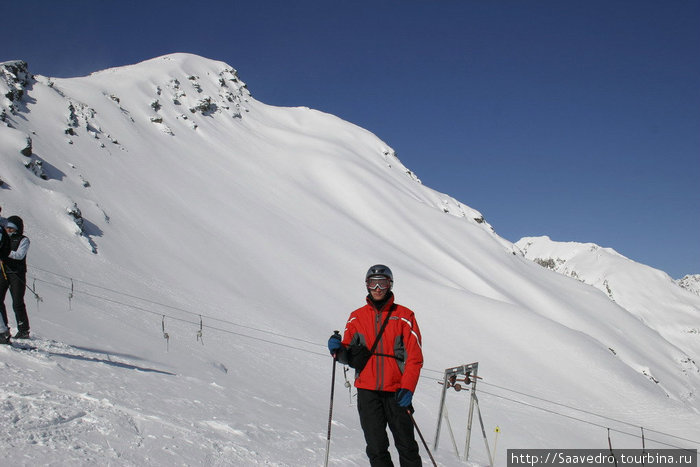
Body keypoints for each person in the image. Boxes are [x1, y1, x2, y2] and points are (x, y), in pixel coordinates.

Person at [328, 264, 424, 466]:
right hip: (367, 392)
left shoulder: (405, 316)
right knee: (376, 447)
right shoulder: (357, 317)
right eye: (373, 283)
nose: (378, 288)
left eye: (383, 282)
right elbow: (347, 353)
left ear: (390, 285)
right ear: (367, 286)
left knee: (407, 446)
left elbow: (415, 357)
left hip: (397, 391)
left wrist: (407, 388)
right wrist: (337, 349)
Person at [0, 215, 31, 340]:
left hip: (17, 274)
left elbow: (19, 255)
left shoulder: (23, 240)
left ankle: (23, 330)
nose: (8, 230)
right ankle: (3, 327)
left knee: (17, 302)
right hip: (3, 272)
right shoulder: (4, 239)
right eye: (7, 228)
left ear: (17, 229)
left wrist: (5, 252)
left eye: (11, 229)